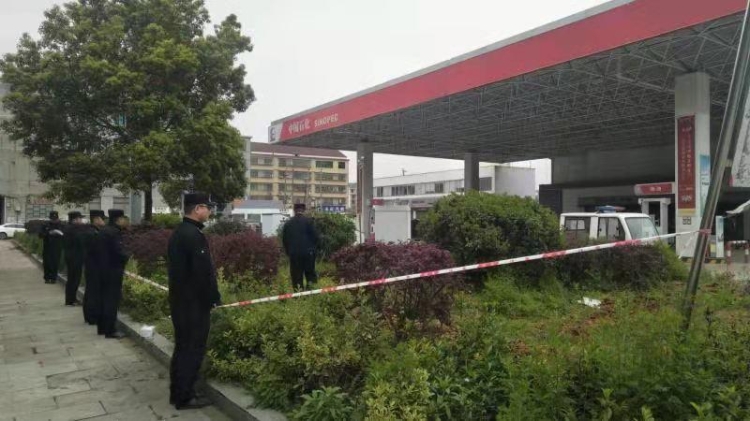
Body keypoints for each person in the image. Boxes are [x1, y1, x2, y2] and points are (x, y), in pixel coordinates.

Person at [167, 193, 221, 410]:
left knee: (182, 347)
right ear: (198, 208)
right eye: (207, 207)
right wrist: (213, 298)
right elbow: (202, 273)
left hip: (181, 301)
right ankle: (186, 396)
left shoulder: (180, 232)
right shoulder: (193, 235)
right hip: (193, 305)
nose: (209, 212)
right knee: (192, 349)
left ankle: (178, 392)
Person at [98, 209, 130, 338]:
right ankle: (110, 330)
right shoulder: (114, 233)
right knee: (112, 300)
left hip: (102, 269)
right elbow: (119, 252)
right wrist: (128, 256)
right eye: (123, 218)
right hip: (113, 270)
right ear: (118, 220)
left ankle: (102, 327)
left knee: (103, 299)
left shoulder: (103, 230)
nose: (125, 221)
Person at [281, 203, 320, 290]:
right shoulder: (309, 222)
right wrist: (313, 250)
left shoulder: (288, 224)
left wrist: (289, 252)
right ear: (304, 210)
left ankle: (298, 294)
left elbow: (285, 240)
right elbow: (316, 237)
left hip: (294, 254)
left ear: (294, 210)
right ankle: (311, 293)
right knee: (310, 274)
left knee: (296, 276)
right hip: (308, 254)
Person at [83, 210, 106, 325]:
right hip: (93, 266)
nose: (104, 221)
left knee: (91, 290)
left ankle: (89, 316)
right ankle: (92, 316)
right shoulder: (92, 233)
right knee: (93, 291)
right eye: (102, 219)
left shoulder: (94, 231)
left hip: (93, 265)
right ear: (96, 219)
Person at [63, 211, 86, 306]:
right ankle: (71, 300)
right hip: (74, 257)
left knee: (72, 279)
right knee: (74, 279)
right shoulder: (73, 229)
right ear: (74, 220)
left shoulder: (69, 228)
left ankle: (70, 299)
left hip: (72, 256)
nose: (81, 221)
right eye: (80, 219)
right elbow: (80, 241)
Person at [40, 211, 65, 284]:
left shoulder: (61, 225)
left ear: (57, 218)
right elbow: (40, 235)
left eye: (55, 219)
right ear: (50, 218)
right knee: (47, 263)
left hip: (57, 247)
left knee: (55, 263)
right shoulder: (45, 225)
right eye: (52, 219)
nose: (54, 220)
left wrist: (60, 234)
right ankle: (47, 278)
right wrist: (48, 233)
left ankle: (54, 278)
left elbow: (65, 235)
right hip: (47, 247)